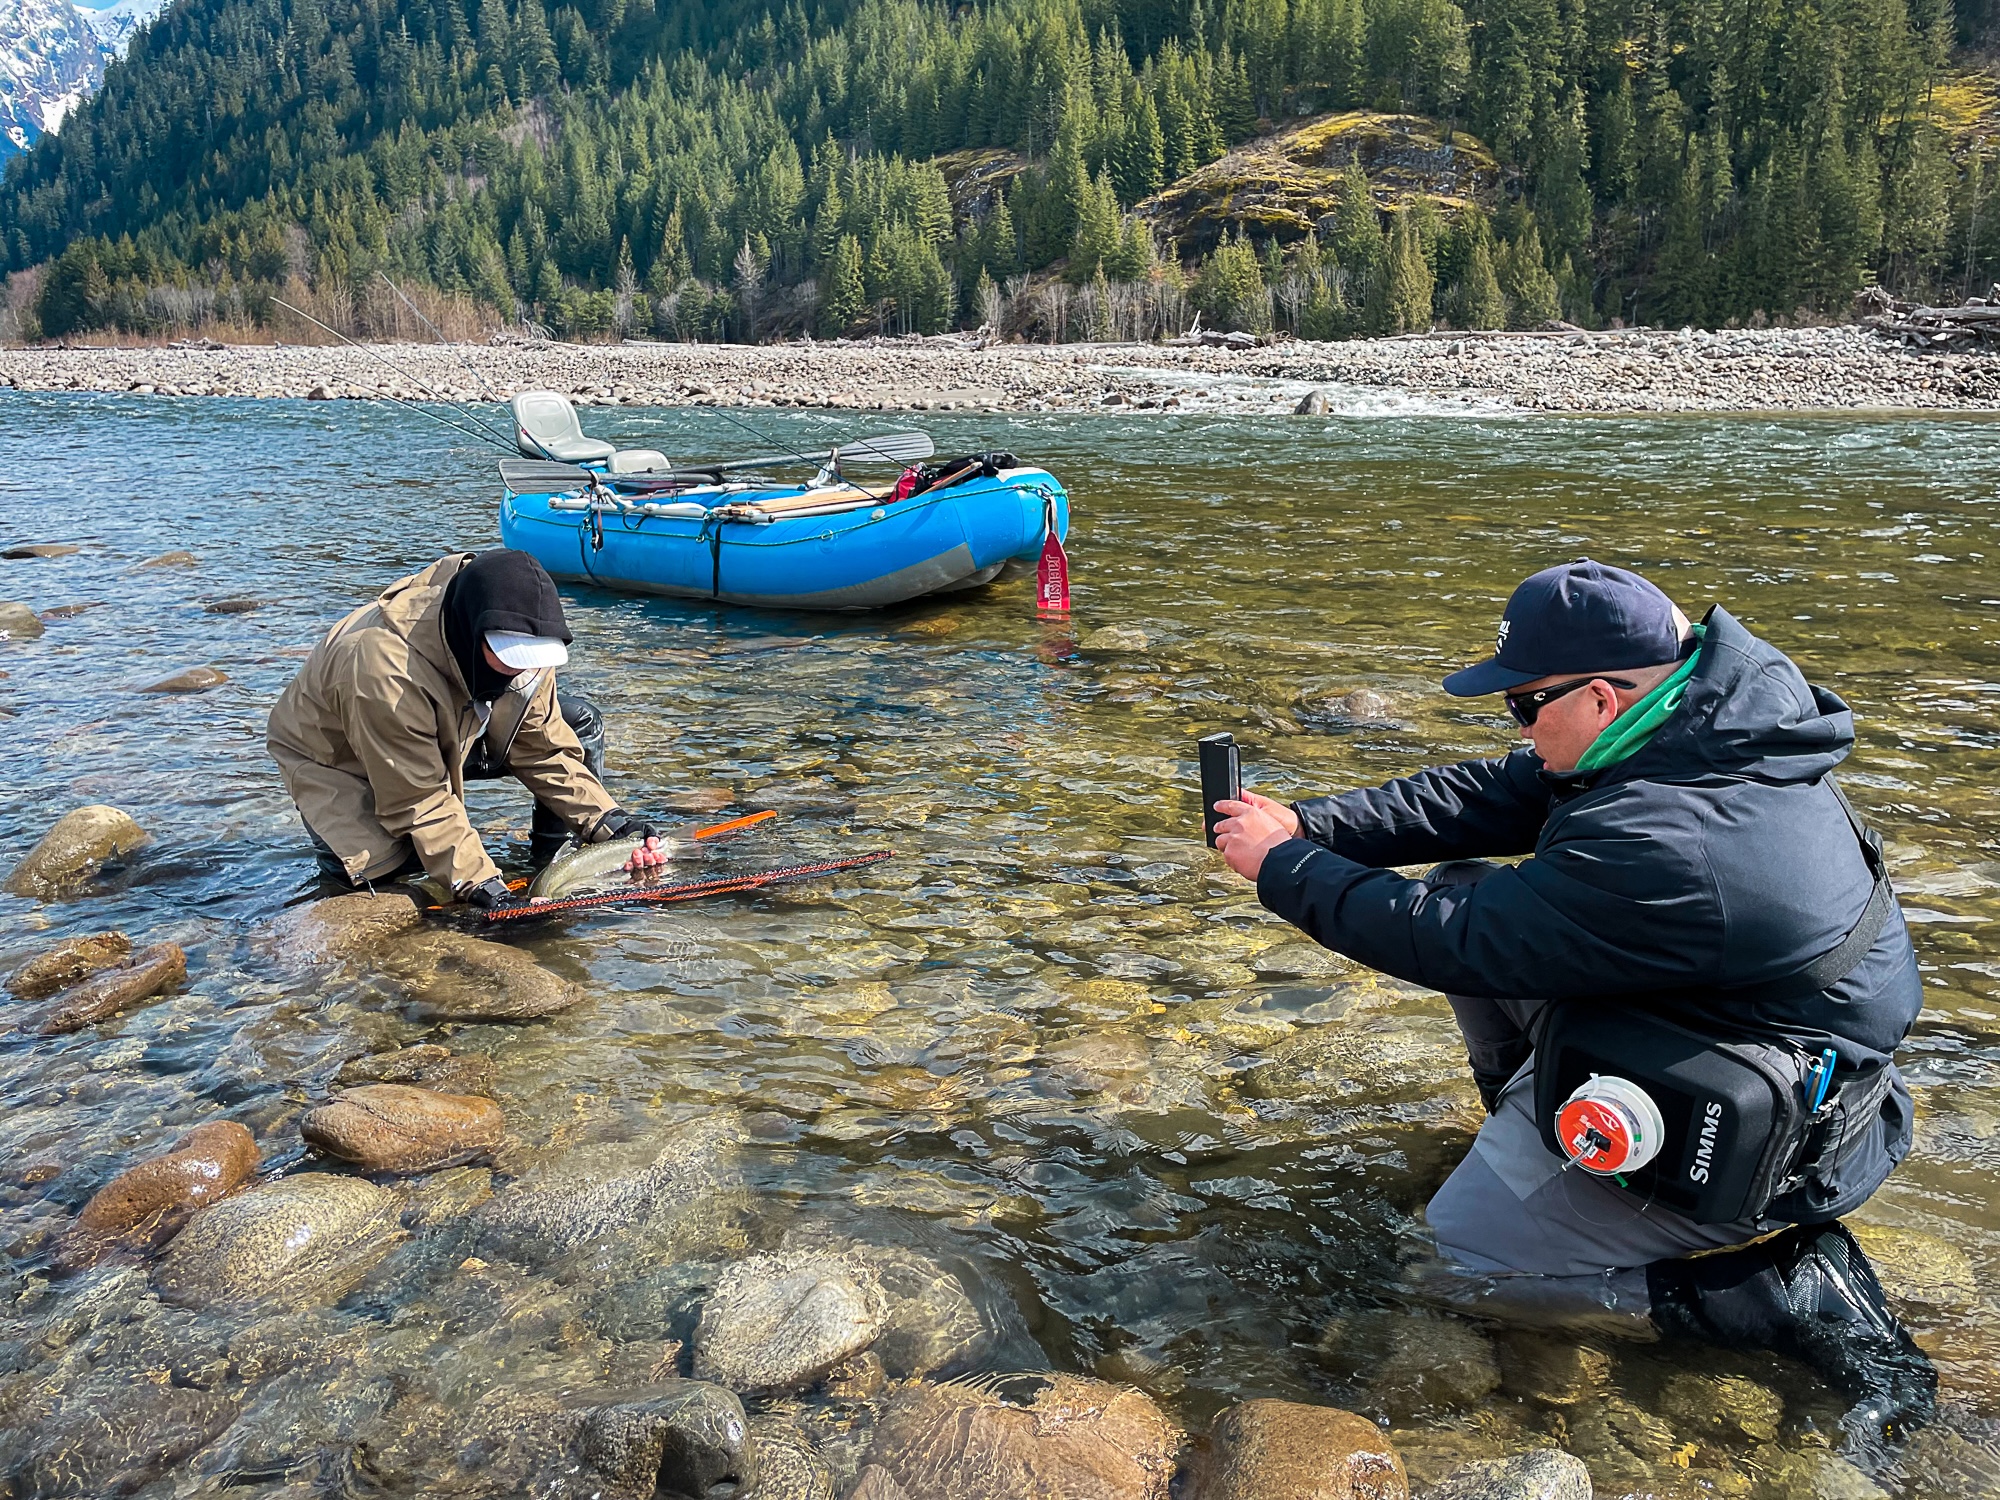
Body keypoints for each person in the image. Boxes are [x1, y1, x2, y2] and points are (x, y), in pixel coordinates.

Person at [1213, 558, 1933, 1449]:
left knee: (1446, 1267)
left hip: (1775, 1140)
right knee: (1467, 878)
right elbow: (1494, 796)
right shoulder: (1699, 728)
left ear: (1599, 696)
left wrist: (1283, 870)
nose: (1515, 725)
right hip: (1752, 1045)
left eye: (1524, 704)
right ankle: (1541, 1147)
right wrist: (1311, 827)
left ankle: (1765, 1295)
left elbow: (1450, 937)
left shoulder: (1674, 839)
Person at [268, 548, 664, 906]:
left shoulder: (528, 641)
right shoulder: (383, 669)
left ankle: (549, 856)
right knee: (383, 876)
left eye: (532, 659)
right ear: (470, 632)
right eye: (509, 657)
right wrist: (484, 886)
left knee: (577, 722)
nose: (521, 670)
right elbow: (419, 799)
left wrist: (610, 823)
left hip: (453, 725)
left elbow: (541, 748)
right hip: (342, 761)